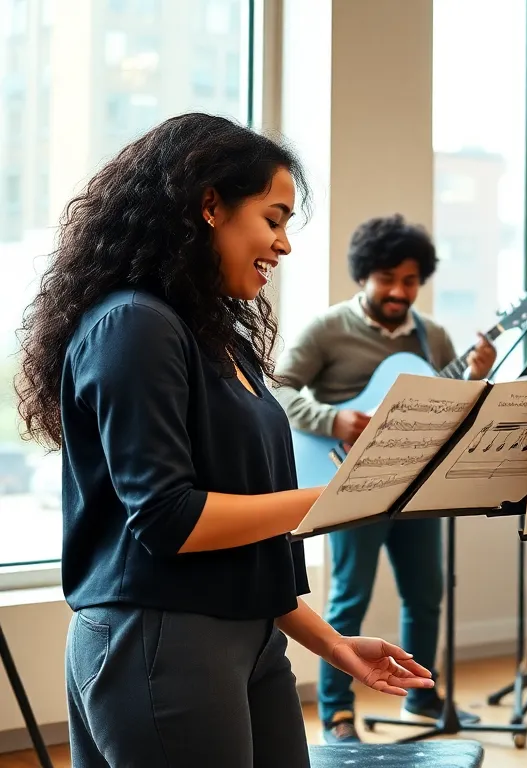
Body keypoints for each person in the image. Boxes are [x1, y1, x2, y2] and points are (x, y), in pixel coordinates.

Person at [12, 113, 433, 767]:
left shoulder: (216, 336)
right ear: (210, 204)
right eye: (274, 218)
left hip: (250, 635)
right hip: (159, 643)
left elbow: (243, 546)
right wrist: (342, 495)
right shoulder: (134, 325)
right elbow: (170, 519)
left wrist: (333, 644)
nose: (285, 244)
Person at [271, 213, 496, 743]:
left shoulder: (433, 335)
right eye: (388, 278)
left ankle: (421, 695)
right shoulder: (328, 329)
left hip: (418, 487)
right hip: (350, 486)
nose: (399, 291)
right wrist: (334, 420)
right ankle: (336, 715)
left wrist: (477, 375)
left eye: (411, 280)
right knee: (350, 598)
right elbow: (276, 391)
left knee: (427, 594)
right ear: (364, 276)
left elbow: (453, 407)